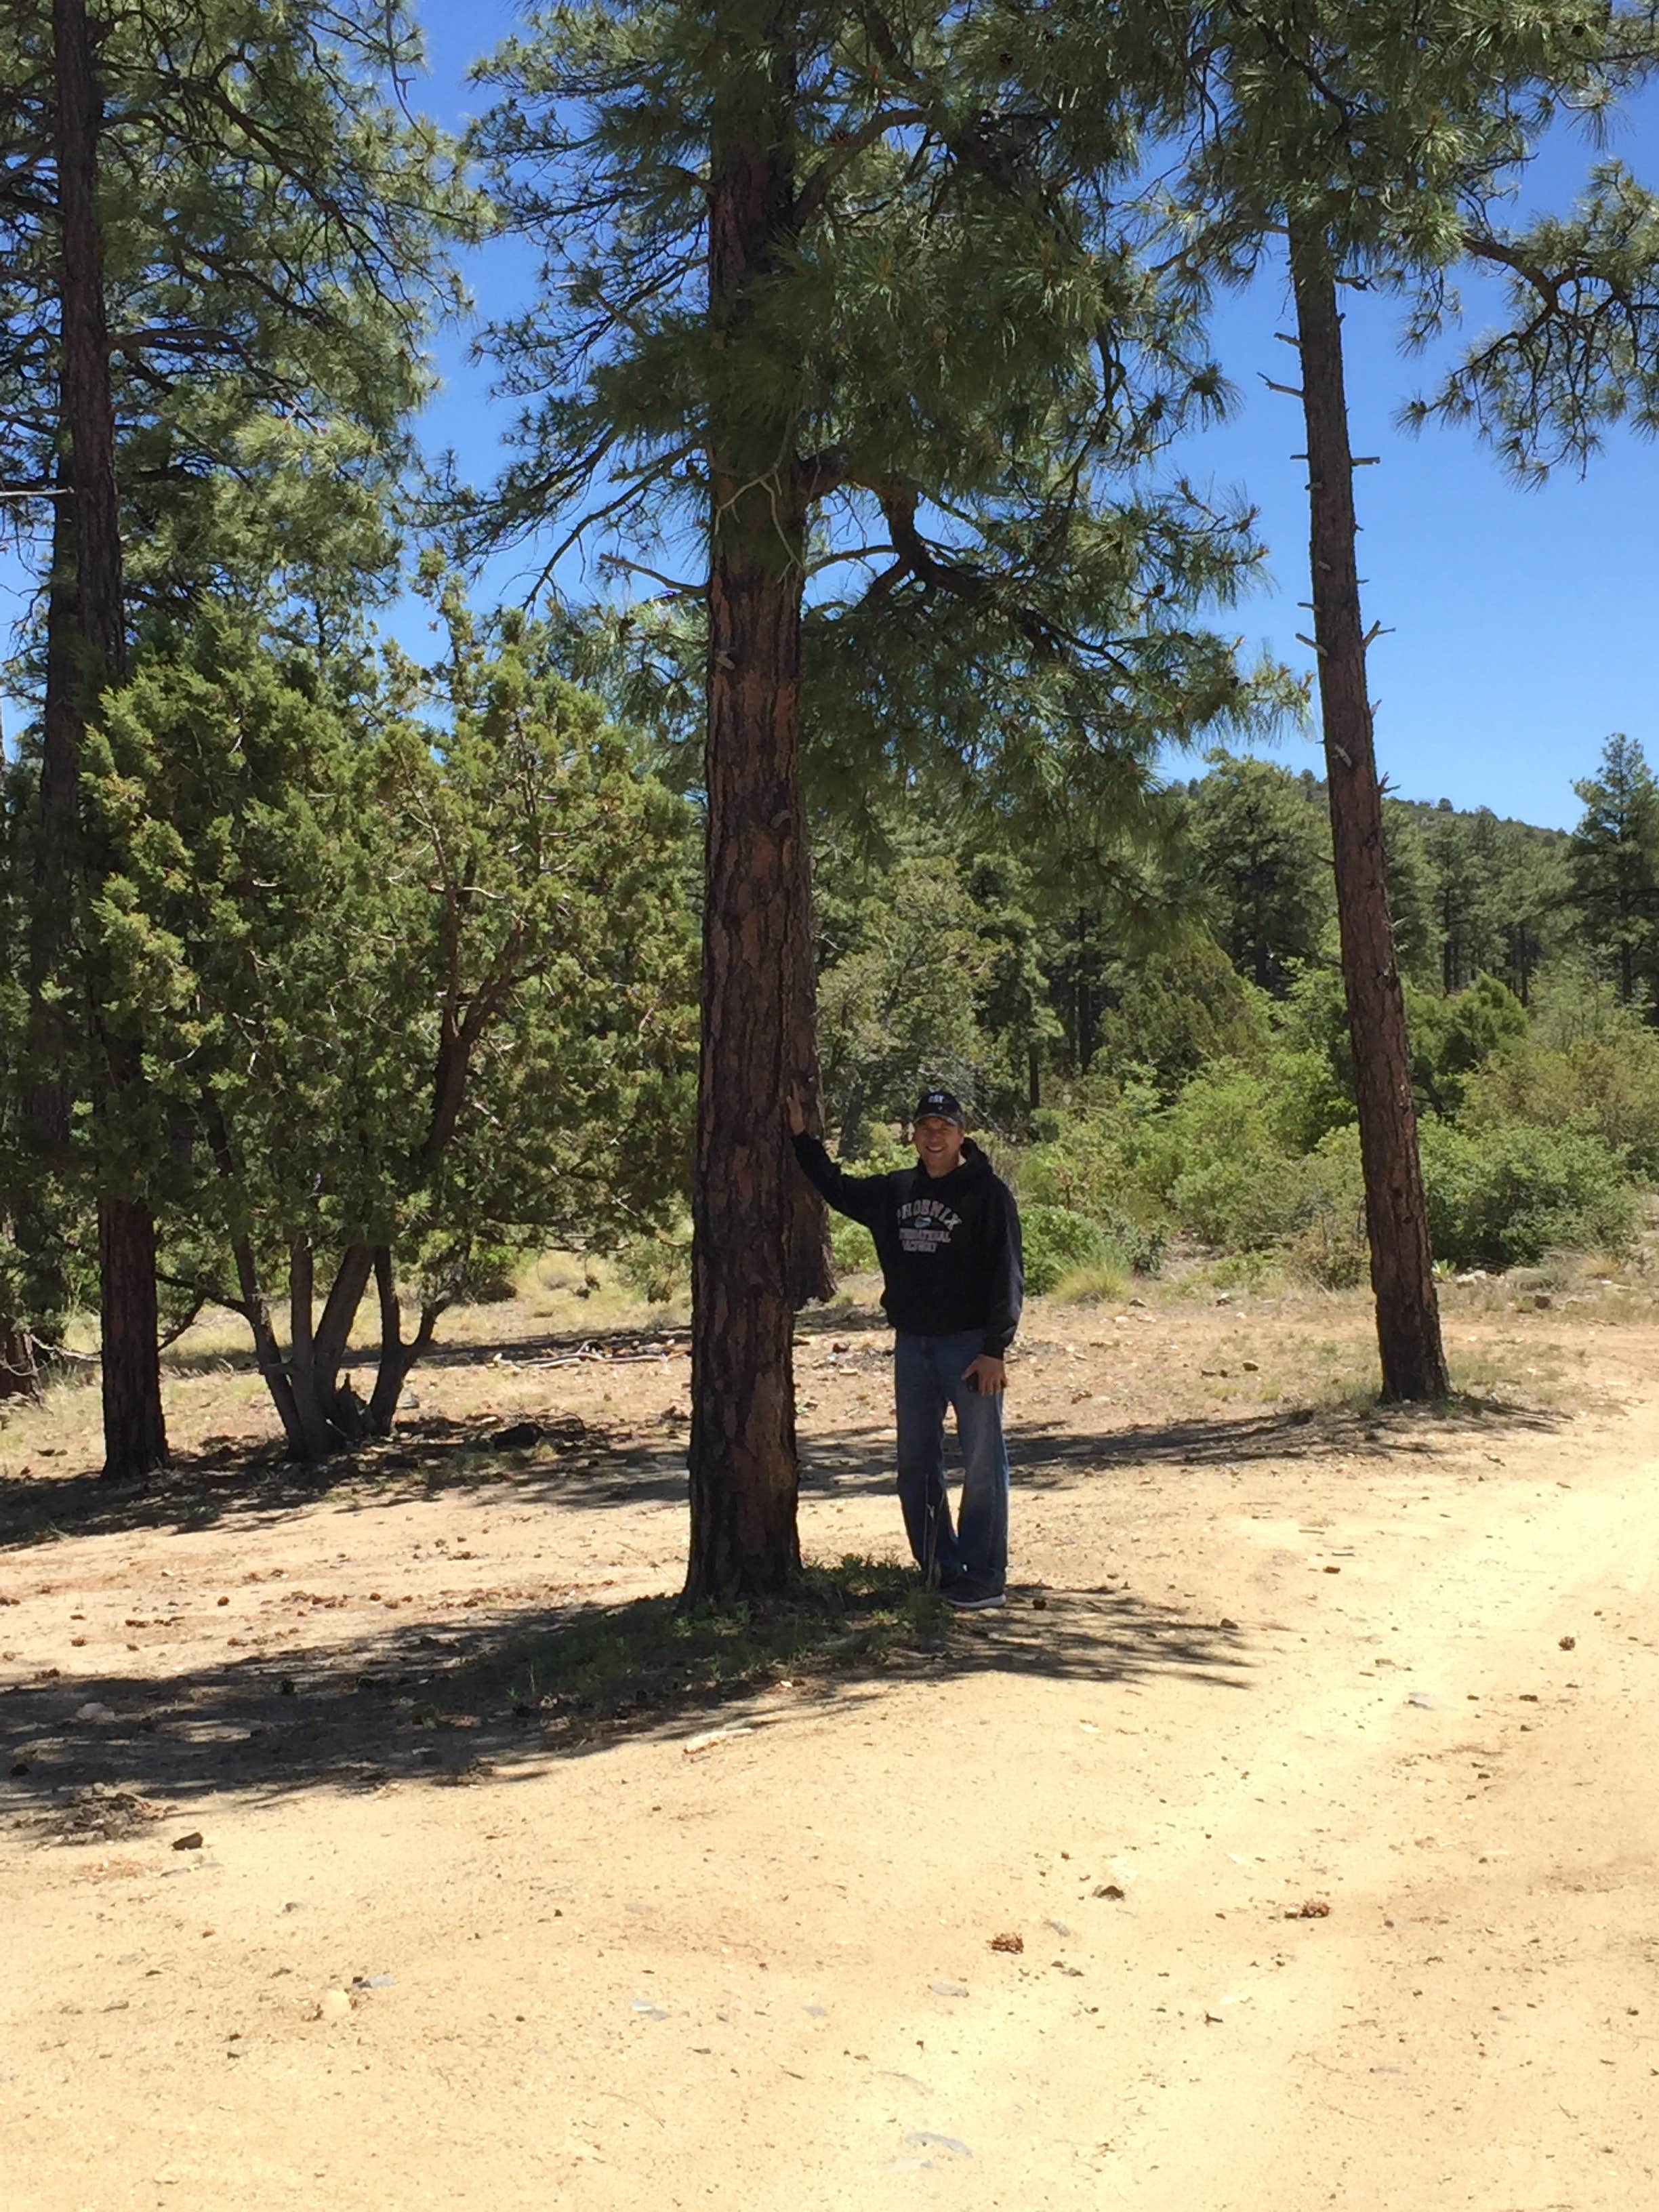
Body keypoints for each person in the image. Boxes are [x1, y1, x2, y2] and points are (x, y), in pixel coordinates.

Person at [786, 1085, 1023, 1610]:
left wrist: (995, 1348)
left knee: (983, 1461)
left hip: (970, 1350)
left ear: (962, 1135)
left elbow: (1007, 1275)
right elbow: (837, 1187)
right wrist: (802, 1137)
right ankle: (939, 1567)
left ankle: (985, 1575)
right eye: (925, 1127)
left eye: (944, 1128)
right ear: (914, 1135)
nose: (934, 1136)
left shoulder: (987, 1195)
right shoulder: (895, 1192)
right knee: (916, 1463)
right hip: (913, 1346)